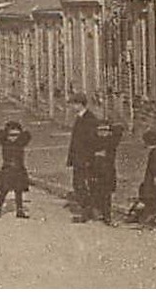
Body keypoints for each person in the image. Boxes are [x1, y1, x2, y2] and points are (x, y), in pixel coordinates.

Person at [64, 91, 101, 222]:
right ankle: (88, 210)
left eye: (73, 104)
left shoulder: (89, 119)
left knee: (82, 184)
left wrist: (87, 159)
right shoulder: (80, 118)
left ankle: (87, 211)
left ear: (80, 104)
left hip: (85, 159)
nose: (72, 107)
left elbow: (91, 142)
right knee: (78, 184)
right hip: (78, 158)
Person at [130, 128, 156, 225]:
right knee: (149, 191)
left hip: (155, 177)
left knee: (154, 193)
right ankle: (149, 212)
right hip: (153, 177)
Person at [0, 119, 32, 218]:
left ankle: (19, 210)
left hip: (19, 169)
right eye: (11, 135)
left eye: (16, 135)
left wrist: (20, 134)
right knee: (4, 191)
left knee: (18, 191)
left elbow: (27, 136)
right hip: (8, 169)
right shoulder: (5, 142)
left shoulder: (20, 143)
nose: (13, 138)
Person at [89, 118, 122, 224]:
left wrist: (109, 127)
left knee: (107, 193)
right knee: (95, 190)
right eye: (100, 131)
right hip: (95, 169)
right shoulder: (94, 140)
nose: (102, 133)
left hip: (108, 171)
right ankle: (96, 211)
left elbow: (119, 129)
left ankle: (107, 215)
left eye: (105, 131)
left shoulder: (111, 141)